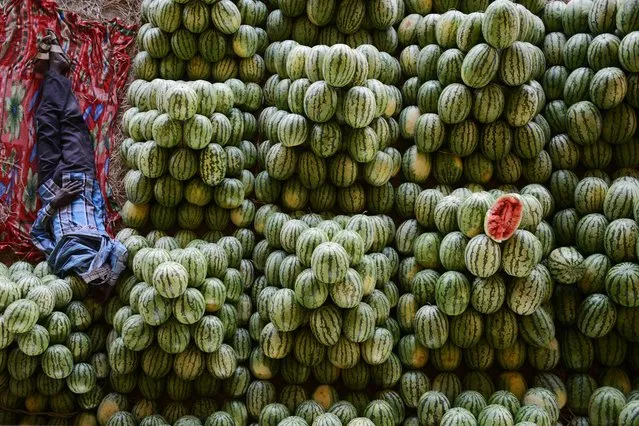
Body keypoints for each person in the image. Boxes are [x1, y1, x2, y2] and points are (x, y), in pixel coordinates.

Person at [30, 30, 128, 302]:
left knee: (46, 121)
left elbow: (36, 232)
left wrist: (54, 203)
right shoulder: (105, 247)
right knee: (71, 121)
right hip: (81, 178)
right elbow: (123, 251)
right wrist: (108, 284)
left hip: (52, 187)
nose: (89, 276)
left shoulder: (57, 260)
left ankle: (55, 69)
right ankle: (55, 69)